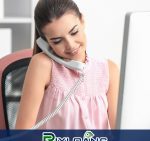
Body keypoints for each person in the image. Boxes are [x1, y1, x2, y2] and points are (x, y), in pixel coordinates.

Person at [15, 0, 119, 129]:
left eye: (74, 32)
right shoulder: (43, 65)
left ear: (82, 21)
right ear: (45, 42)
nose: (70, 45)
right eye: (57, 41)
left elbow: (120, 133)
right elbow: (22, 133)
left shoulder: (109, 70)